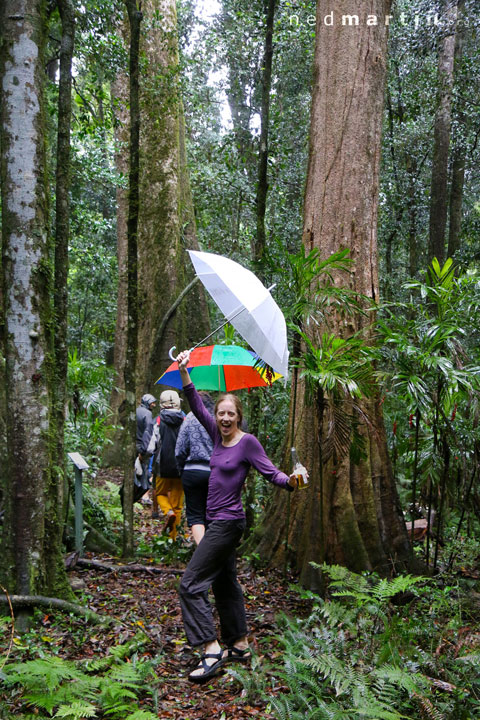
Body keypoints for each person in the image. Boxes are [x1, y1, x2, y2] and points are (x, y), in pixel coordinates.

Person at [176, 350, 299, 683]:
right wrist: (185, 371)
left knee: (190, 585)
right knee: (224, 582)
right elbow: (194, 404)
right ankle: (239, 644)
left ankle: (211, 649)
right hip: (216, 522)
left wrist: (292, 481)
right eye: (221, 413)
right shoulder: (216, 435)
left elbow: (272, 473)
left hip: (229, 523)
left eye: (230, 413)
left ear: (239, 417)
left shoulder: (247, 443)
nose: (225, 418)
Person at [175, 391, 214, 545]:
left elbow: (180, 449)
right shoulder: (220, 417)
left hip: (192, 471)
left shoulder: (190, 417)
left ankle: (203, 553)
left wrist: (181, 469)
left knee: (196, 515)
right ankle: (213, 550)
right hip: (215, 472)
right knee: (213, 513)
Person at [150, 390, 185, 539]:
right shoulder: (185, 420)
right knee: (178, 504)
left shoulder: (158, 421)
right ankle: (173, 538)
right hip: (180, 467)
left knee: (160, 494)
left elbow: (152, 445)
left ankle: (167, 511)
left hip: (162, 466)